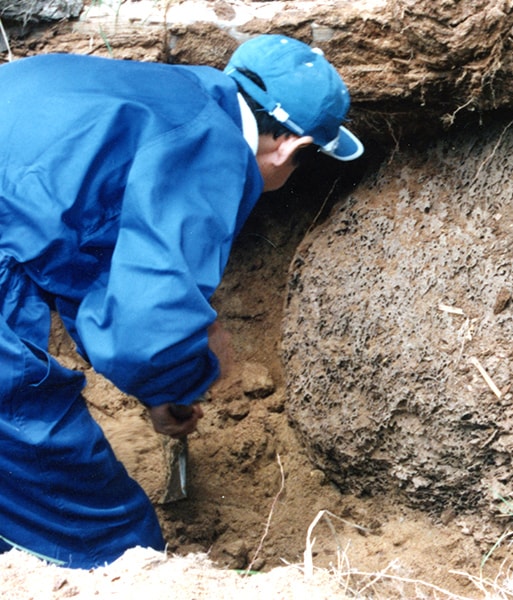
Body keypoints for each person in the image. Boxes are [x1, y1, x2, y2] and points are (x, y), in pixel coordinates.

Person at [0, 34, 363, 568]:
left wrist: (157, 390)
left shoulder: (160, 98)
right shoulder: (210, 146)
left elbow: (78, 258)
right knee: (108, 539)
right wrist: (184, 375)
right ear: (292, 146)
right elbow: (151, 326)